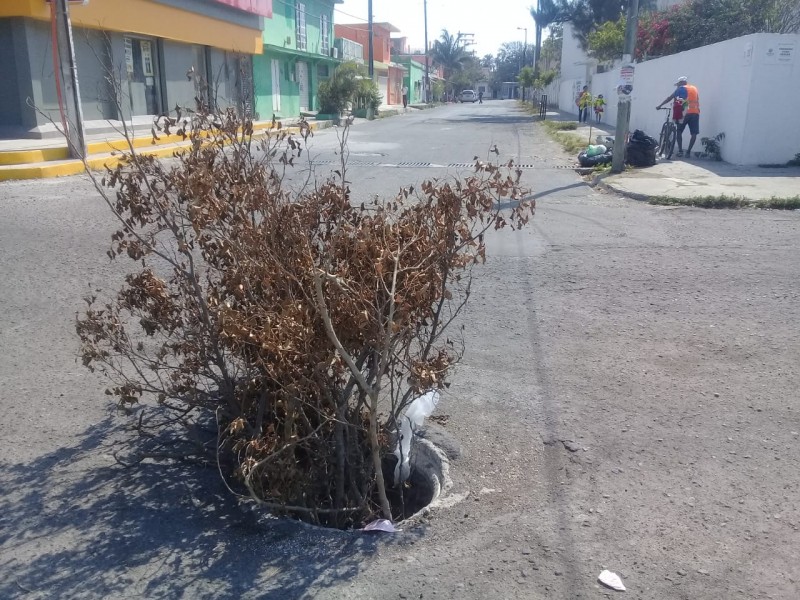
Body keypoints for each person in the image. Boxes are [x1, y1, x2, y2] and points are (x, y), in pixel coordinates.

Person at [657, 75, 700, 158]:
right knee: (694, 133)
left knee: (679, 131)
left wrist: (660, 105)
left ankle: (680, 151)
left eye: (678, 84)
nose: (677, 86)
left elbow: (670, 98)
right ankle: (688, 152)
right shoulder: (694, 89)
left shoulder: (680, 89)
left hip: (685, 113)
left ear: (681, 83)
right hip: (695, 112)